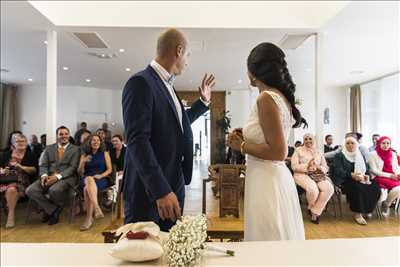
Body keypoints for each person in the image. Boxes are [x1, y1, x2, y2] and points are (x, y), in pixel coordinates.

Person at [122, 28, 215, 231]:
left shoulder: (168, 86)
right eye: (188, 55)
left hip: (173, 183)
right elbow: (137, 141)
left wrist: (203, 103)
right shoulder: (140, 82)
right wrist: (160, 190)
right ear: (179, 51)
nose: (188, 61)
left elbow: (177, 126)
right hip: (150, 192)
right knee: (144, 255)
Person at [227, 42, 307, 241]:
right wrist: (246, 134)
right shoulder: (279, 97)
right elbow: (269, 137)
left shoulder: (265, 98)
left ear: (253, 72)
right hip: (269, 176)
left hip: (267, 179)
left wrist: (241, 146)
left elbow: (279, 151)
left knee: (267, 239)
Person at [25, 126, 80, 225]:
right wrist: (44, 176)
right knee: (30, 190)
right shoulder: (48, 148)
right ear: (57, 136)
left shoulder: (76, 149)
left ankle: (48, 211)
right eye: (61, 134)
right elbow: (43, 165)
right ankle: (53, 210)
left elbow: (73, 168)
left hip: (66, 178)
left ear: (69, 135)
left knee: (53, 190)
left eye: (66, 134)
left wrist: (57, 177)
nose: (64, 136)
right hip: (48, 176)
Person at [331, 136, 381, 225]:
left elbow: (366, 169)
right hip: (344, 180)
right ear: (344, 145)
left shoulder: (359, 155)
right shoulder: (339, 156)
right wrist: (351, 175)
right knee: (358, 188)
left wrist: (367, 176)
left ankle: (367, 209)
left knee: (375, 187)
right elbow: (338, 170)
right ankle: (358, 214)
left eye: (352, 143)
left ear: (356, 145)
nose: (350, 145)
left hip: (359, 178)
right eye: (348, 143)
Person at [291, 134, 334, 224]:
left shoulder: (318, 151)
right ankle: (312, 210)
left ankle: (314, 211)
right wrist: (307, 166)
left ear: (314, 140)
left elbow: (325, 167)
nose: (308, 141)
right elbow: (294, 166)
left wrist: (319, 167)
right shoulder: (298, 150)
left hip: (317, 175)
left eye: (310, 139)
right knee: (313, 190)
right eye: (305, 139)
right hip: (302, 174)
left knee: (329, 189)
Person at [0, 134, 37, 228]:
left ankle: (10, 216)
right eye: (18, 141)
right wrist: (2, 170)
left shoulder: (30, 155)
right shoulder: (6, 154)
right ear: (13, 143)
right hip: (4, 179)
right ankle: (8, 204)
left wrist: (21, 167)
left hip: (22, 181)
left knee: (12, 189)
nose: (21, 143)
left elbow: (34, 170)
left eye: (23, 141)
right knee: (10, 188)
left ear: (26, 143)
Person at [78, 134, 112, 231]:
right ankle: (96, 208)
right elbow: (80, 172)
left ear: (100, 142)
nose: (96, 142)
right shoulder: (85, 154)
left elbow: (109, 169)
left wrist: (101, 175)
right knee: (88, 179)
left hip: (100, 178)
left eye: (98, 140)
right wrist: (83, 162)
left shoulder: (105, 153)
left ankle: (88, 219)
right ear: (90, 142)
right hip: (86, 178)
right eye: (93, 140)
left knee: (86, 189)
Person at [368, 136, 400, 217]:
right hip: (379, 176)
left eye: (388, 143)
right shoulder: (372, 154)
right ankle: (381, 205)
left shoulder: (393, 154)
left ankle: (386, 204)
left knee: (398, 188)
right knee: (393, 188)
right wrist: (390, 175)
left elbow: (396, 167)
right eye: (383, 143)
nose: (386, 145)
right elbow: (373, 170)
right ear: (379, 144)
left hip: (392, 176)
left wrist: (397, 174)